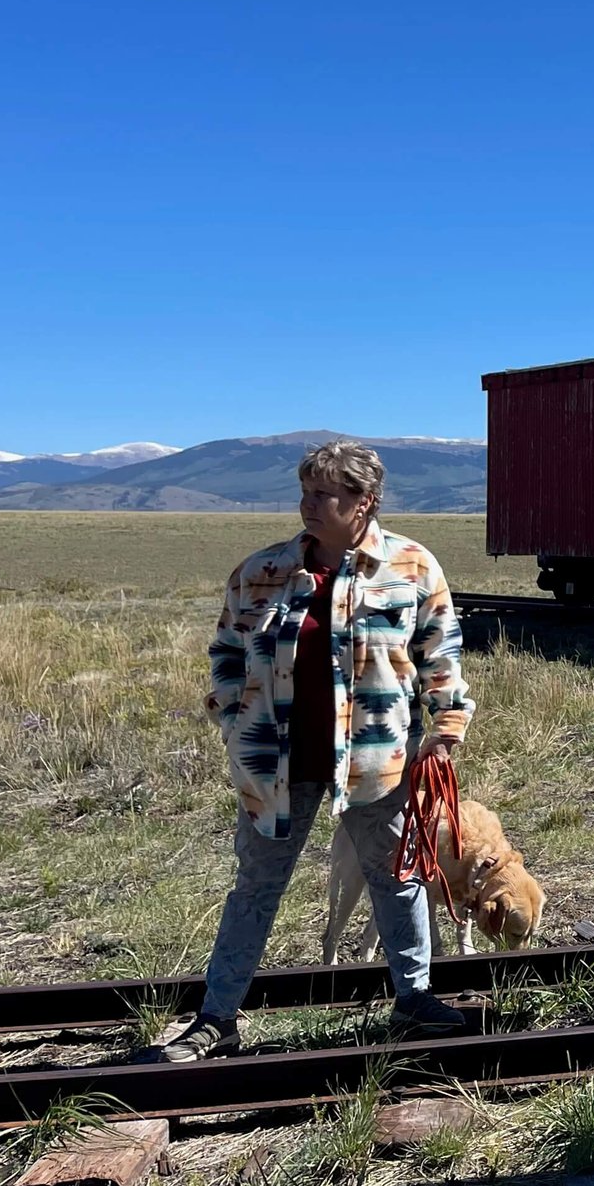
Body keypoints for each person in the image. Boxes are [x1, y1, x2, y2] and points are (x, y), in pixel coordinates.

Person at [142, 442, 474, 1062]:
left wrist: (447, 726)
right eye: (305, 492)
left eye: (325, 494)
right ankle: (217, 1018)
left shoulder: (412, 567)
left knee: (396, 878)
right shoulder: (260, 571)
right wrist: (232, 714)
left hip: (377, 760)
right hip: (276, 763)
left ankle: (416, 999)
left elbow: (441, 652)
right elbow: (226, 653)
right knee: (256, 886)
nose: (308, 505)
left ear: (364, 501)